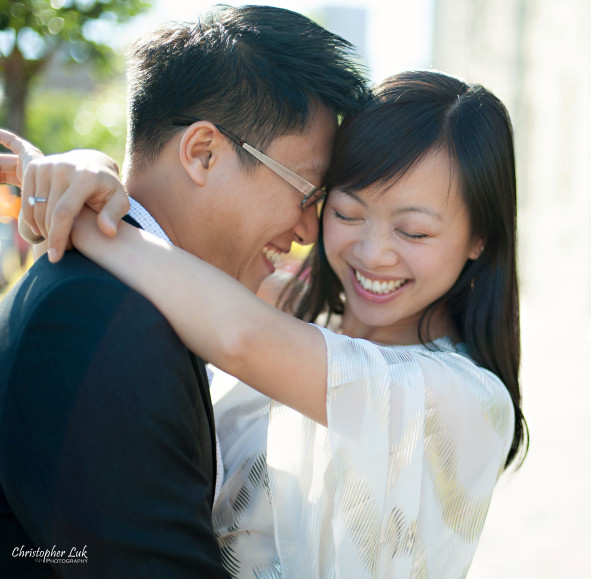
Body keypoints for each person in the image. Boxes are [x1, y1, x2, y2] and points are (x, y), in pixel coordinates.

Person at [5, 70, 527, 577]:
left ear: (480, 237)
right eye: (346, 214)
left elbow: (241, 336)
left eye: (413, 233)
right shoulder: (290, 305)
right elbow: (186, 252)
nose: (372, 254)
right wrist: (86, 171)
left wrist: (89, 223)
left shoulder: (464, 398)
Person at [0, 5, 368, 577]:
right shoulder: (97, 315)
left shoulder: (128, 297)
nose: (307, 232)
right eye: (306, 194)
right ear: (202, 153)